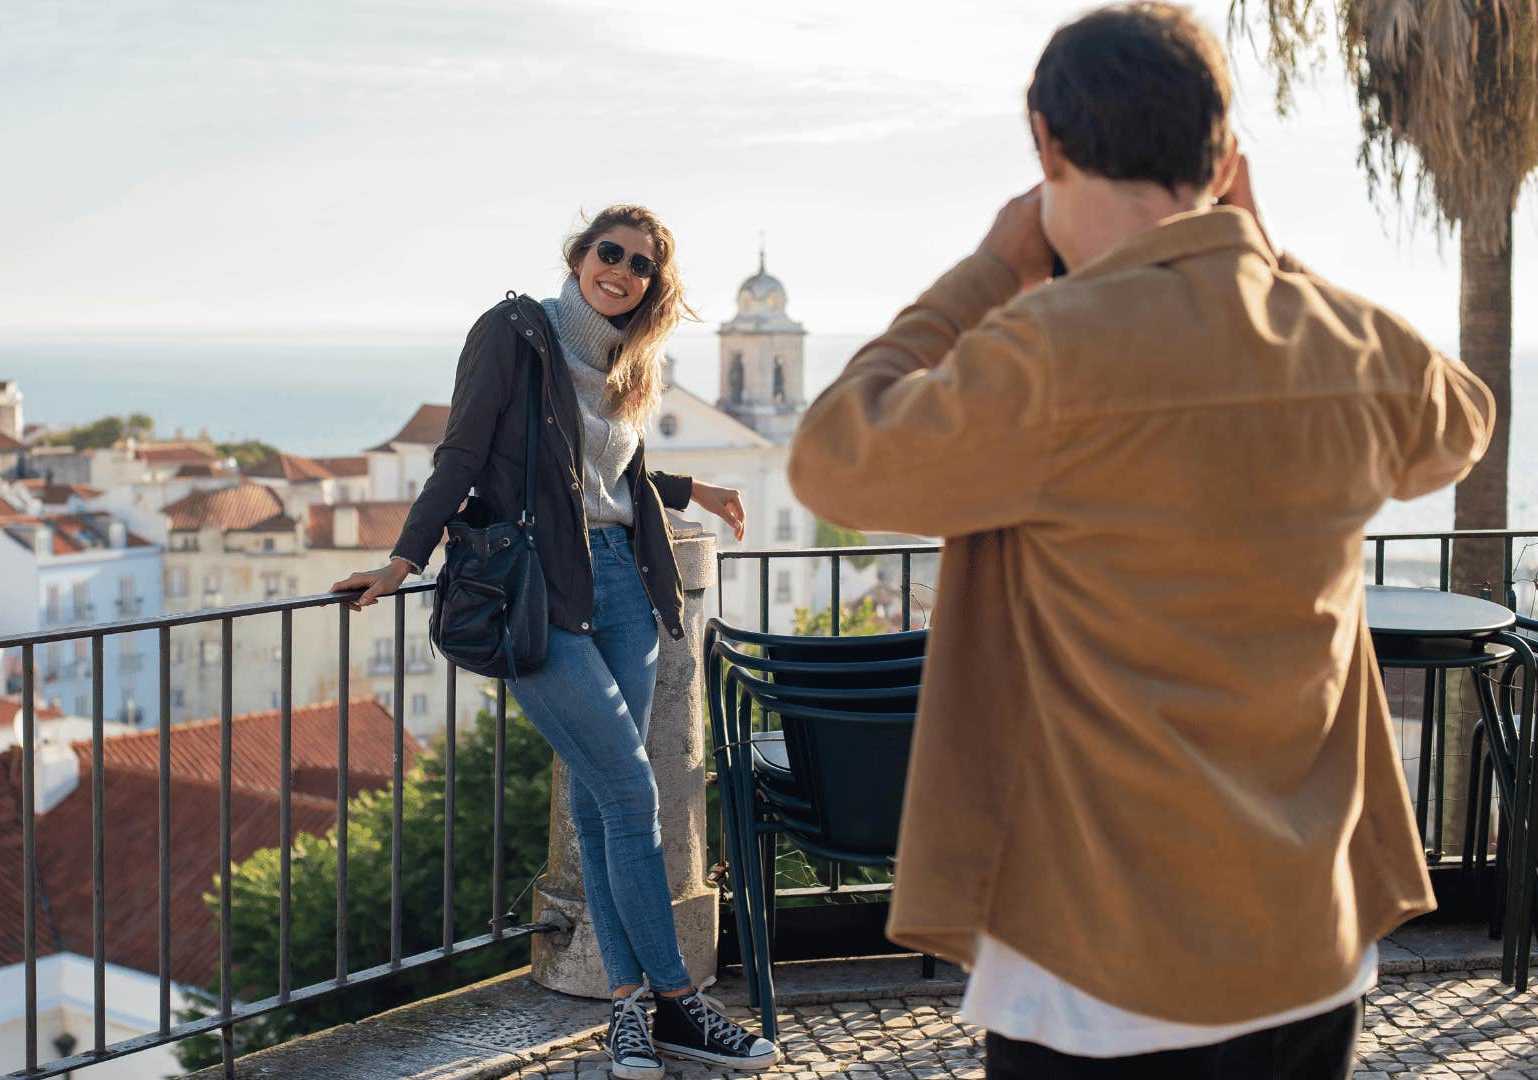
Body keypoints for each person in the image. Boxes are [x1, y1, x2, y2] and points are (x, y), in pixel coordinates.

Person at [786, 5, 1494, 1078]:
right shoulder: (1337, 344)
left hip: (1100, 970)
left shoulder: (1047, 352)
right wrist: (1264, 254)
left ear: (1049, 146)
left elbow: (836, 456)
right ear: (1222, 160)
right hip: (1309, 945)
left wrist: (988, 267)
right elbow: (1459, 418)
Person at [333, 205, 781, 1079]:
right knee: (629, 788)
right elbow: (462, 455)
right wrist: (401, 559)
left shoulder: (628, 360)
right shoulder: (514, 332)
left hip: (626, 581)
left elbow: (612, 470)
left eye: (640, 263)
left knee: (598, 801)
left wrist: (694, 487)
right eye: (607, 252)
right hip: (538, 590)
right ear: (578, 257)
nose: (620, 269)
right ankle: (680, 1004)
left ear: (654, 283)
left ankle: (625, 1012)